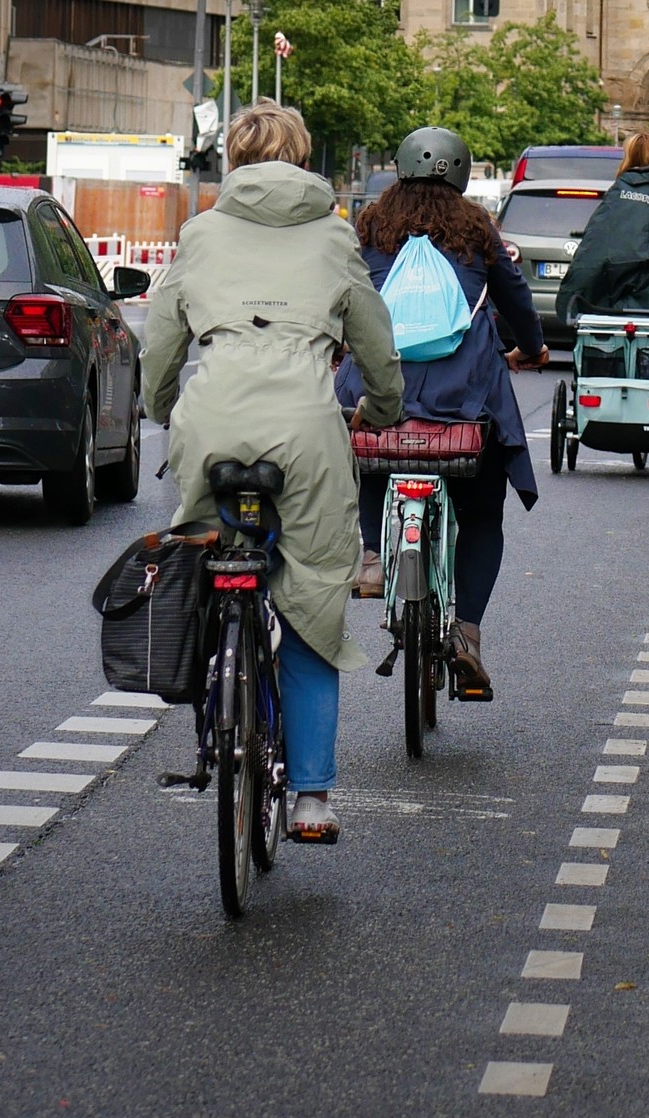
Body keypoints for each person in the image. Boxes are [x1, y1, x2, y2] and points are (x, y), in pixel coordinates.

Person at [140, 102, 404, 844]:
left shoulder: (200, 233)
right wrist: (382, 409)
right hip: (307, 429)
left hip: (212, 422)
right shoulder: (334, 235)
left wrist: (163, 408)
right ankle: (312, 799)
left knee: (205, 561)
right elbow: (374, 342)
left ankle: (217, 684)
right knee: (313, 603)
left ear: (233, 160)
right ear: (304, 159)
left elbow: (162, 341)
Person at [334, 126, 549, 701]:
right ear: (462, 173)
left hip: (381, 389)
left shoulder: (370, 227)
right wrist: (530, 348)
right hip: (463, 400)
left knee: (370, 447)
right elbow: (515, 300)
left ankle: (374, 555)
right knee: (481, 514)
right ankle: (468, 634)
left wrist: (338, 348)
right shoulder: (477, 229)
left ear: (400, 167)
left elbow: (343, 298)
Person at [555, 132, 649, 327]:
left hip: (610, 310)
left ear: (628, 157)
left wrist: (570, 300)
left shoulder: (616, 199)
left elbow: (592, 255)